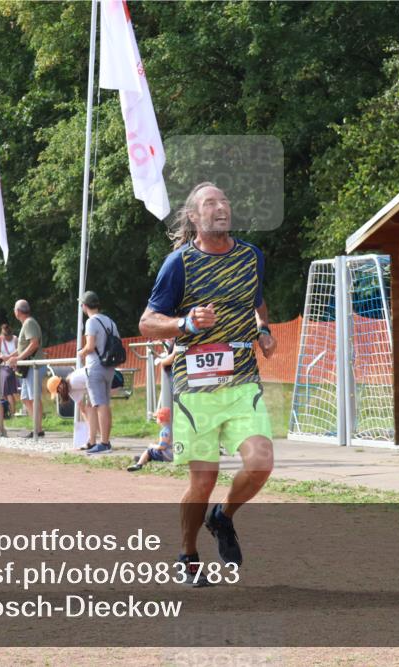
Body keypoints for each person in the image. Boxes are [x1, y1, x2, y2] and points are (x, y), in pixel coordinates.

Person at [139, 182, 277, 577]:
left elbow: (256, 300)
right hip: (194, 386)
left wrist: (262, 329)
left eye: (225, 201)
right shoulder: (178, 264)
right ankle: (187, 554)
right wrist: (184, 322)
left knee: (261, 462)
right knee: (203, 480)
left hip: (241, 380)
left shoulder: (251, 256)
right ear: (195, 217)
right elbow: (147, 322)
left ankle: (222, 515)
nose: (221, 208)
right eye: (210, 203)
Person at [77, 291, 120, 453]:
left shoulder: (91, 322)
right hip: (109, 367)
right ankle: (96, 440)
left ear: (85, 305)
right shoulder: (110, 321)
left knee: (99, 405)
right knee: (102, 404)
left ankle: (104, 442)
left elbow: (90, 346)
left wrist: (81, 353)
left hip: (95, 367)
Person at [4, 299, 45, 438]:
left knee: (34, 397)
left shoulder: (29, 323)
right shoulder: (27, 323)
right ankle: (36, 428)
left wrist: (18, 358)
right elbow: (23, 347)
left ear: (18, 311)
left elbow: (34, 344)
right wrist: (10, 356)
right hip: (29, 367)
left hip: (34, 365)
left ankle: (38, 429)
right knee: (26, 398)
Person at [128, 407, 173, 472]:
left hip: (167, 455)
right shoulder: (173, 429)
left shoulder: (164, 431)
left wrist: (152, 445)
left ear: (161, 419)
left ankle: (139, 464)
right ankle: (143, 458)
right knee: (153, 452)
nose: (156, 419)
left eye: (157, 417)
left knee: (149, 451)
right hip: (175, 454)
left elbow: (162, 447)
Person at [0, 323, 19, 419]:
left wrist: (8, 357)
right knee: (6, 392)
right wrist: (2, 358)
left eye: (8, 336)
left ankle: (12, 412)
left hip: (13, 367)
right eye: (5, 336)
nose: (7, 338)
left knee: (8, 392)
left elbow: (19, 351)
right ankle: (10, 412)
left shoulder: (15, 339)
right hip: (4, 367)